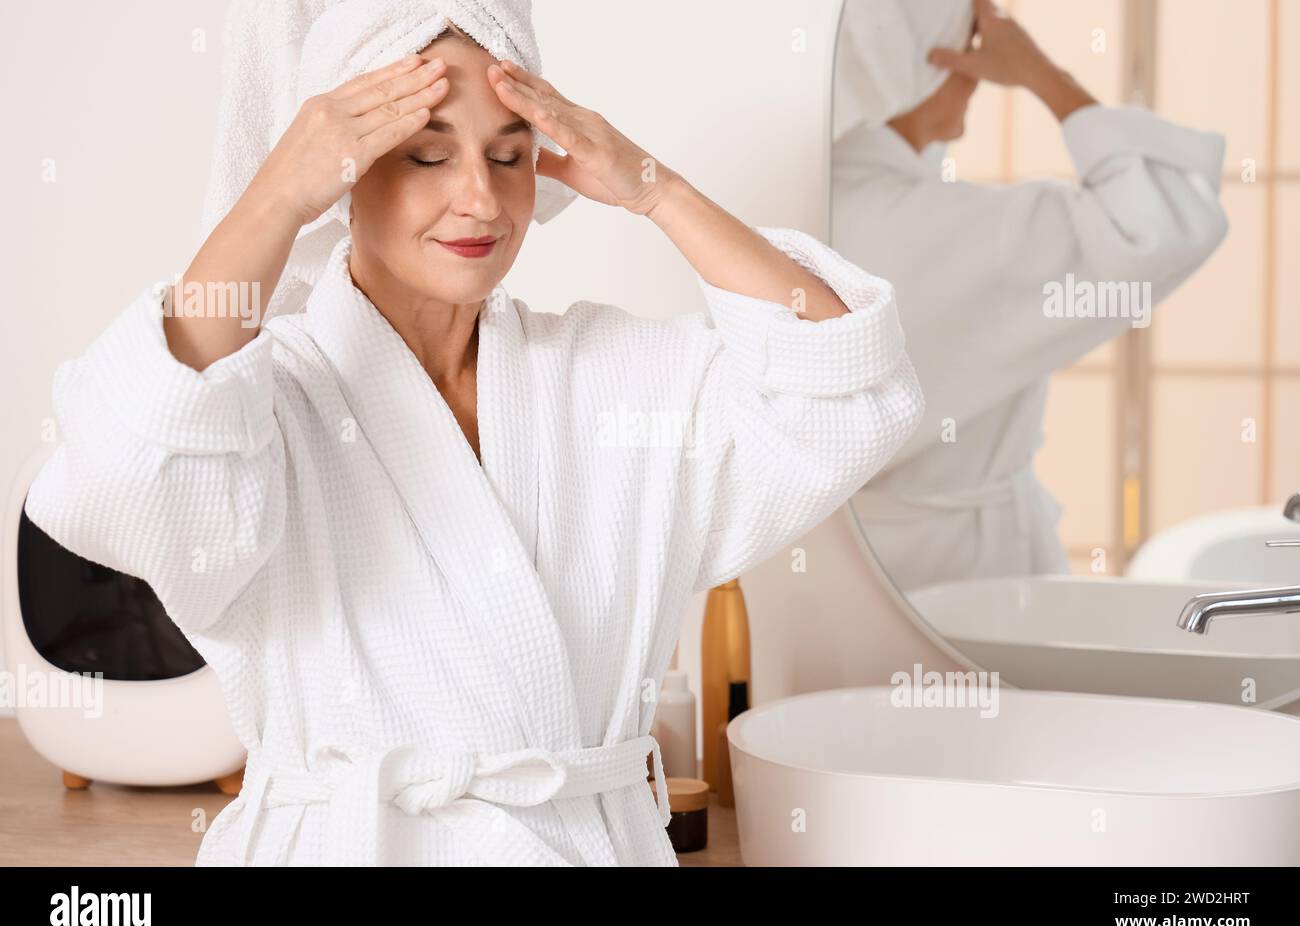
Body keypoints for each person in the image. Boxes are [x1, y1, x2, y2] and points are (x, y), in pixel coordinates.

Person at [23, 3, 923, 865]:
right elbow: (130, 481)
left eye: (509, 154)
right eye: (425, 154)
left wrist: (656, 188)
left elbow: (842, 385)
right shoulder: (262, 397)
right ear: (342, 171)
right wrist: (276, 195)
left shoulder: (604, 378)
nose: (481, 201)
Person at [832, 0, 1228, 593]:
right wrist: (1045, 76)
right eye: (969, 47)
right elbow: (1164, 222)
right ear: (923, 63)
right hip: (969, 581)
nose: (978, 75)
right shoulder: (950, 227)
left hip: (840, 574)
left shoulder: (807, 201)